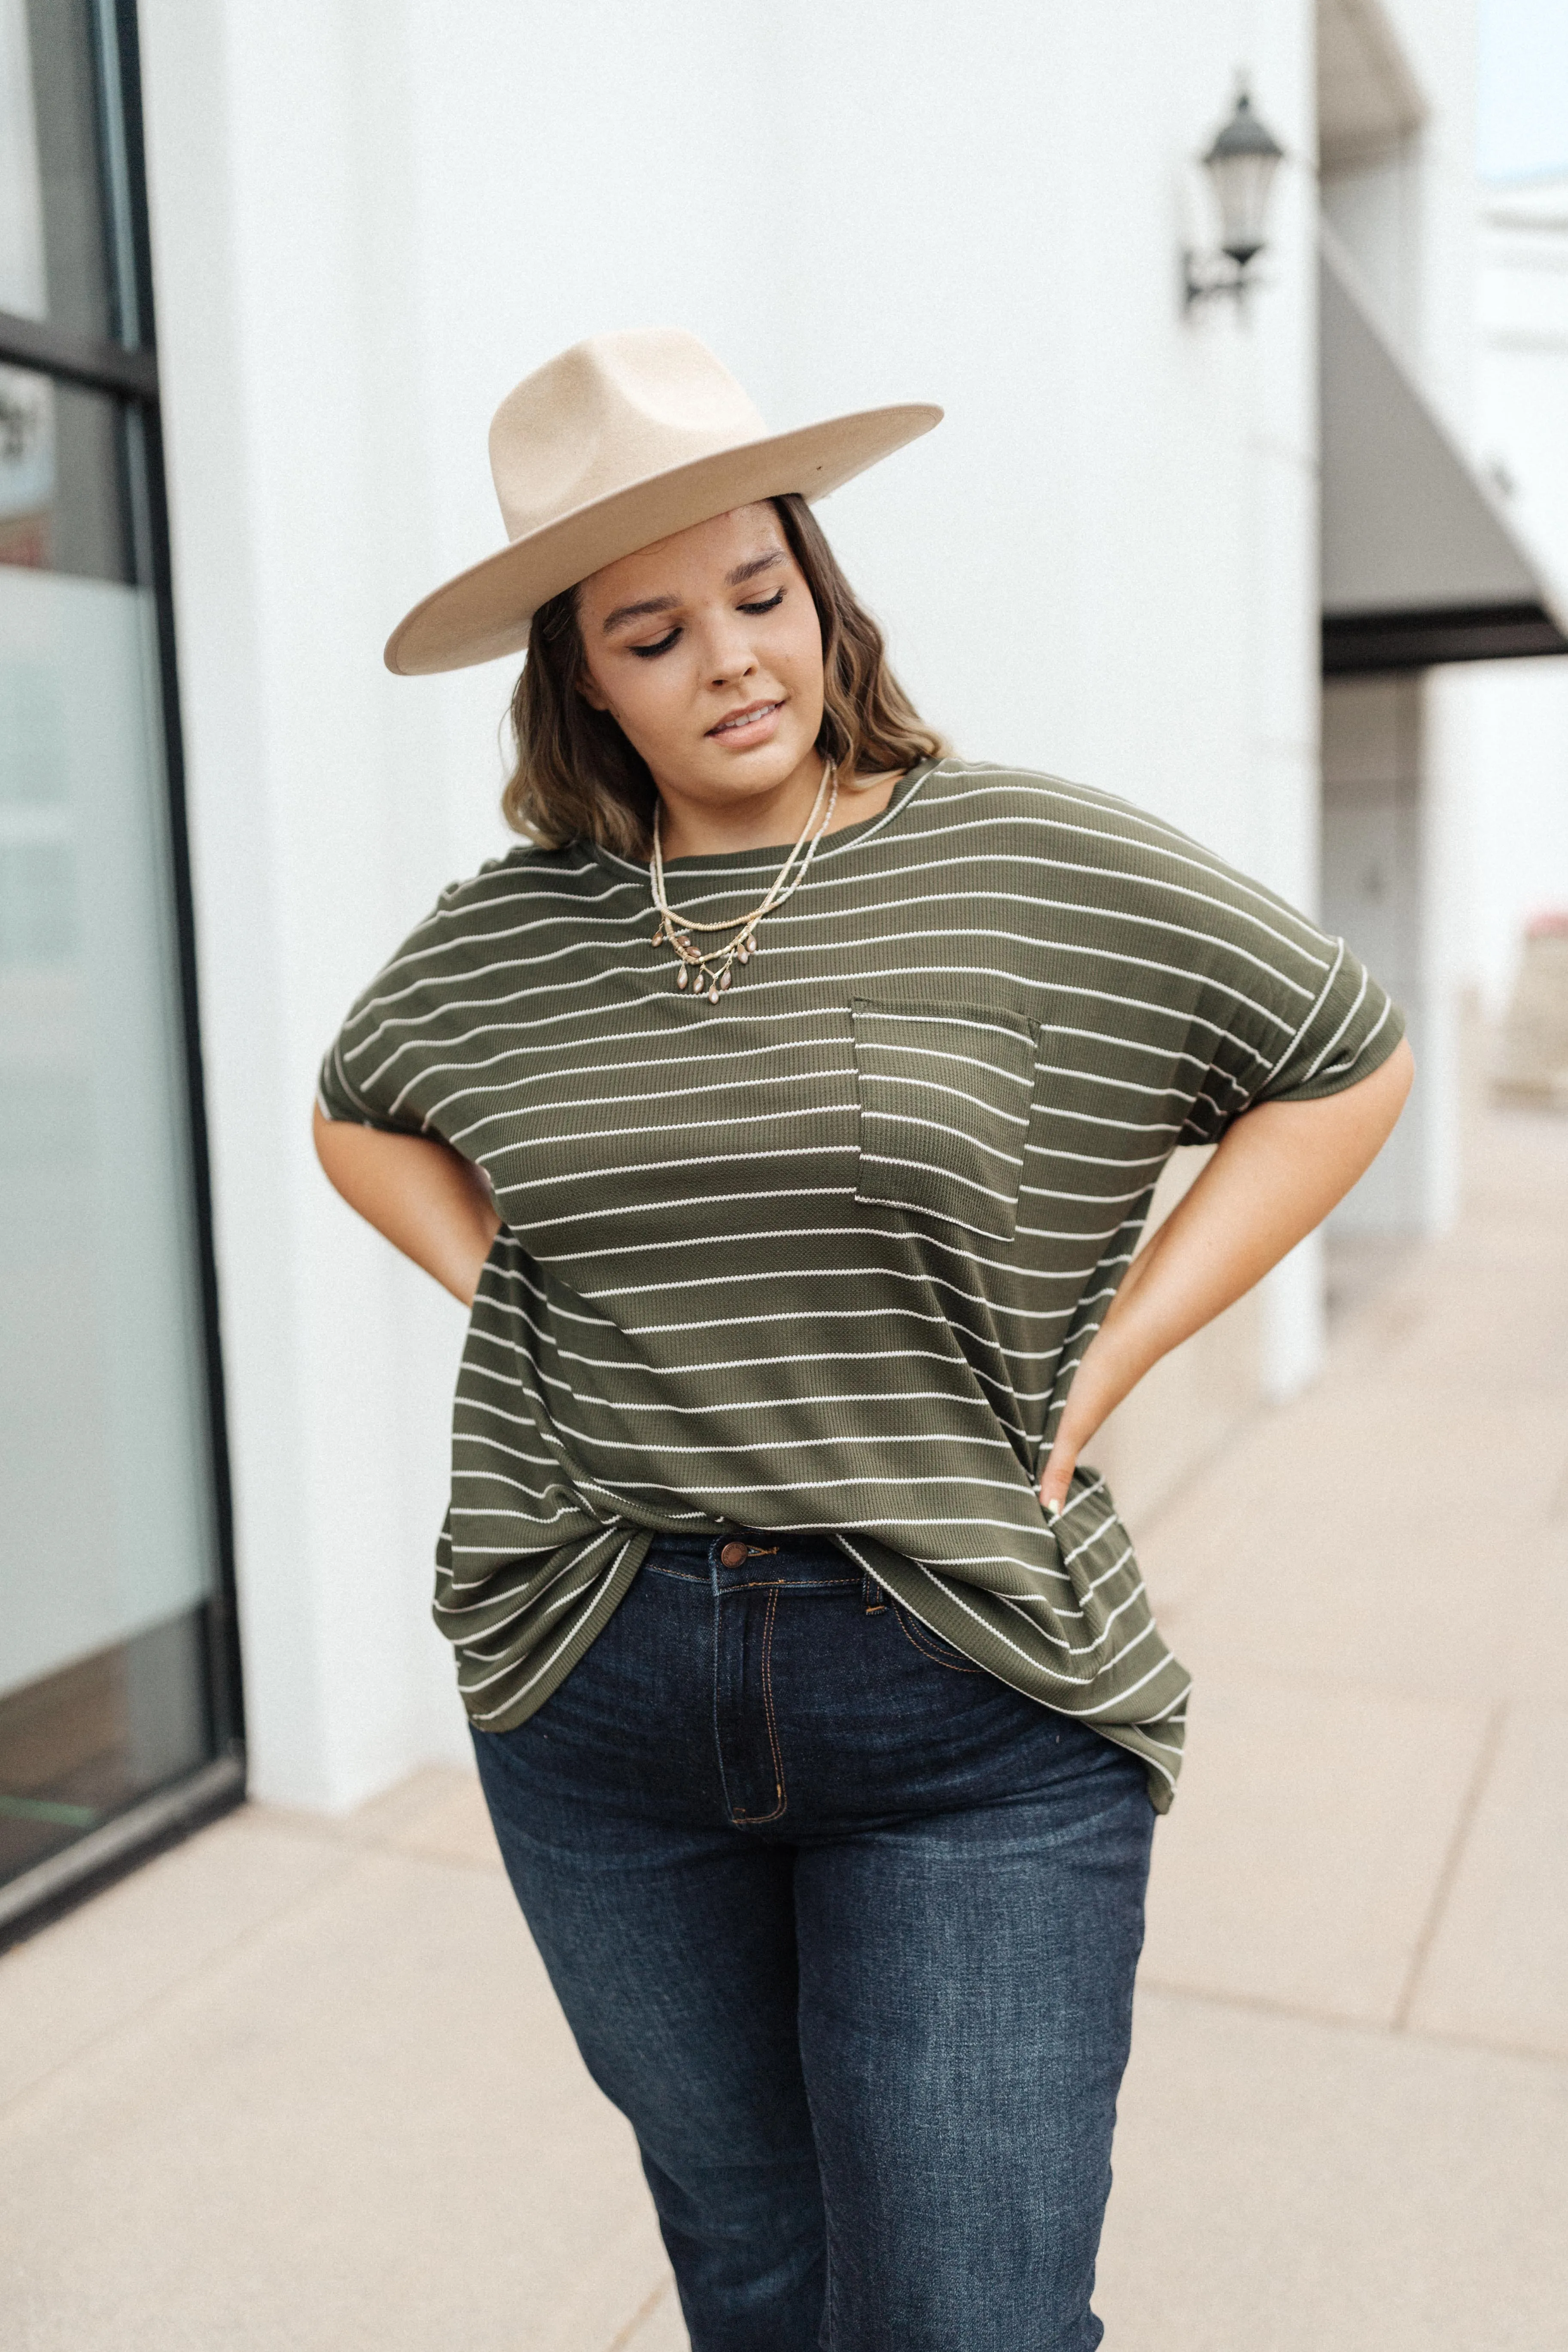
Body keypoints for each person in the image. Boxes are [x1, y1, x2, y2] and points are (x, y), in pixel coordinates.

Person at [315, 329, 1412, 2352]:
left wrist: (1126, 1350)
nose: (732, 659)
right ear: (583, 679)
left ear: (824, 590)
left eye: (762, 593)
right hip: (595, 1672)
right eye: (654, 632)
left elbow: (1340, 1056)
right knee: (754, 2268)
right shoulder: (514, 934)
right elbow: (358, 1106)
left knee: (963, 2316)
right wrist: (517, 1302)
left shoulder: (1021, 860)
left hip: (965, 1686)